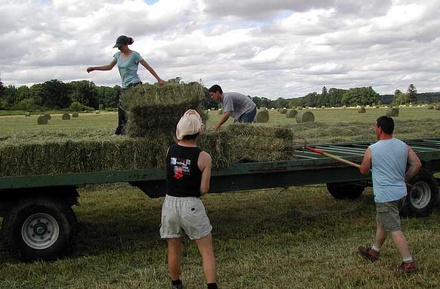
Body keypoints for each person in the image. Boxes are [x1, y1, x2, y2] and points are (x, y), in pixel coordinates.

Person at [160, 109, 218, 289]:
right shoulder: (204, 157)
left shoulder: (170, 150)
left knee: (174, 248)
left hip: (170, 204)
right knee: (206, 250)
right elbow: (204, 188)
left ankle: (176, 284)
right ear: (200, 131)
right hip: (191, 205)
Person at [358, 116, 421, 273]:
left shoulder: (373, 149)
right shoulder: (403, 146)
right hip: (400, 193)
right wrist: (405, 177)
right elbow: (417, 164)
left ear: (379, 129)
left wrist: (366, 165)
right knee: (382, 221)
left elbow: (363, 171)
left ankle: (408, 263)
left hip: (386, 196)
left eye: (375, 127)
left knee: (393, 228)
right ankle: (374, 251)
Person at [87, 35, 165, 135]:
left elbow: (148, 67)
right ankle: (122, 131)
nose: (119, 48)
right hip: (124, 86)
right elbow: (109, 67)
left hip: (135, 85)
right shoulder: (118, 55)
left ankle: (128, 131)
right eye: (118, 47)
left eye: (120, 46)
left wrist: (159, 79)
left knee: (132, 109)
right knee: (122, 109)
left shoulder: (135, 55)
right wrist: (94, 68)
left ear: (126, 44)